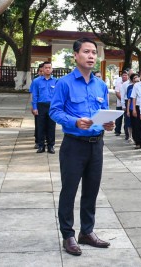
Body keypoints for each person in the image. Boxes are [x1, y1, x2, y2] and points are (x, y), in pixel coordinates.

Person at [49, 38, 114, 256]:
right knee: (69, 191)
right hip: (74, 145)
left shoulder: (101, 85)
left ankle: (87, 232)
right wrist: (74, 121)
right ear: (75, 55)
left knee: (91, 191)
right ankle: (68, 235)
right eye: (86, 52)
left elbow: (103, 111)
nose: (91, 56)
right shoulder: (64, 83)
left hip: (96, 145)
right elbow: (54, 111)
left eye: (94, 52)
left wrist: (108, 122)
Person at [31, 61, 57, 154]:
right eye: (46, 68)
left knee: (51, 126)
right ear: (42, 69)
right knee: (40, 126)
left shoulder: (56, 81)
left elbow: (58, 96)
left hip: (51, 106)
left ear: (52, 69)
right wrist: (34, 107)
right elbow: (35, 95)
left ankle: (51, 146)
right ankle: (41, 146)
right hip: (40, 106)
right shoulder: (36, 81)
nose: (47, 69)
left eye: (49, 67)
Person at [30, 63, 44, 149]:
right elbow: (33, 94)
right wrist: (33, 106)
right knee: (38, 125)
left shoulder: (53, 80)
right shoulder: (36, 80)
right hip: (38, 105)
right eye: (41, 71)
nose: (42, 73)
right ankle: (38, 141)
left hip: (47, 105)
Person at [126, 73, 140, 145]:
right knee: (132, 124)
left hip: (140, 109)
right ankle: (132, 137)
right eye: (135, 81)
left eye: (138, 81)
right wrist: (128, 110)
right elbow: (129, 100)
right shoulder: (131, 89)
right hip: (132, 109)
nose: (136, 82)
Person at [120, 69, 134, 140]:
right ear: (128, 75)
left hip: (134, 102)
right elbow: (122, 95)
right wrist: (123, 105)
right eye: (130, 74)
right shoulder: (125, 84)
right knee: (127, 120)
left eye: (133, 74)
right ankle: (127, 135)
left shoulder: (137, 83)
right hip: (127, 102)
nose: (132, 76)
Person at [114, 71, 128, 136]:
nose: (124, 76)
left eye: (126, 75)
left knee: (126, 119)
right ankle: (117, 131)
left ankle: (126, 132)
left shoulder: (129, 84)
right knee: (118, 118)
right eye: (123, 75)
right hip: (119, 104)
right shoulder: (119, 83)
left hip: (127, 104)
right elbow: (117, 93)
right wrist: (122, 100)